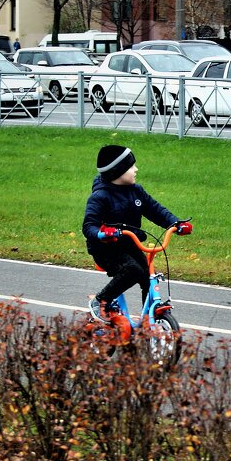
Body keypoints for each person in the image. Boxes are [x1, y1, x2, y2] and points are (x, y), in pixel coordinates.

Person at [82, 144, 192, 337]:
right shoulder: (100, 197)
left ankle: (148, 322)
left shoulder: (136, 191)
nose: (136, 170)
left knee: (147, 278)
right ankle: (101, 300)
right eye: (131, 166)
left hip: (129, 245)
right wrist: (103, 233)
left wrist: (176, 223)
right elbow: (88, 226)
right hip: (105, 249)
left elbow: (155, 210)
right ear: (118, 171)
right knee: (132, 270)